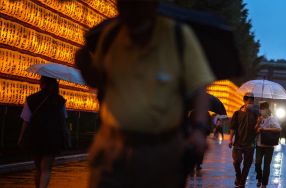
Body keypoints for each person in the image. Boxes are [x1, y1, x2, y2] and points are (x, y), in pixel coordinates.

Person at [84, 0, 215, 187]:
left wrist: (200, 130)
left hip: (160, 150)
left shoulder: (177, 37)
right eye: (123, 6)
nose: (129, 12)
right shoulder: (112, 35)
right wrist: (85, 66)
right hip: (111, 146)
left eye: (136, 6)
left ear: (152, 6)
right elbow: (99, 82)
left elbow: (199, 87)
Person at [17, 76, 67, 188]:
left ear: (43, 83)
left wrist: (20, 138)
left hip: (35, 136)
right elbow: (63, 121)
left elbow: (26, 120)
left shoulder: (31, 99)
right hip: (52, 137)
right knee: (46, 169)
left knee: (38, 168)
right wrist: (65, 136)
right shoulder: (60, 100)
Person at [229, 92, 258, 187]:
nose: (250, 101)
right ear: (244, 100)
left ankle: (242, 182)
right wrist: (230, 139)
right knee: (236, 161)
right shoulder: (237, 113)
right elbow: (233, 128)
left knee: (247, 164)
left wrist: (259, 121)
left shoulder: (256, 114)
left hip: (251, 143)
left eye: (252, 100)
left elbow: (257, 129)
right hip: (238, 142)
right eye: (248, 99)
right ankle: (238, 176)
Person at [255, 102, 281, 188]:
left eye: (263, 109)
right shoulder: (258, 118)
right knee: (257, 163)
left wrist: (265, 129)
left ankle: (264, 184)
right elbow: (254, 130)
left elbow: (278, 129)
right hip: (259, 145)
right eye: (261, 109)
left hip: (269, 146)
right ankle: (259, 178)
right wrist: (258, 123)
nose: (262, 111)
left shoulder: (272, 119)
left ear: (267, 110)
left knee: (266, 166)